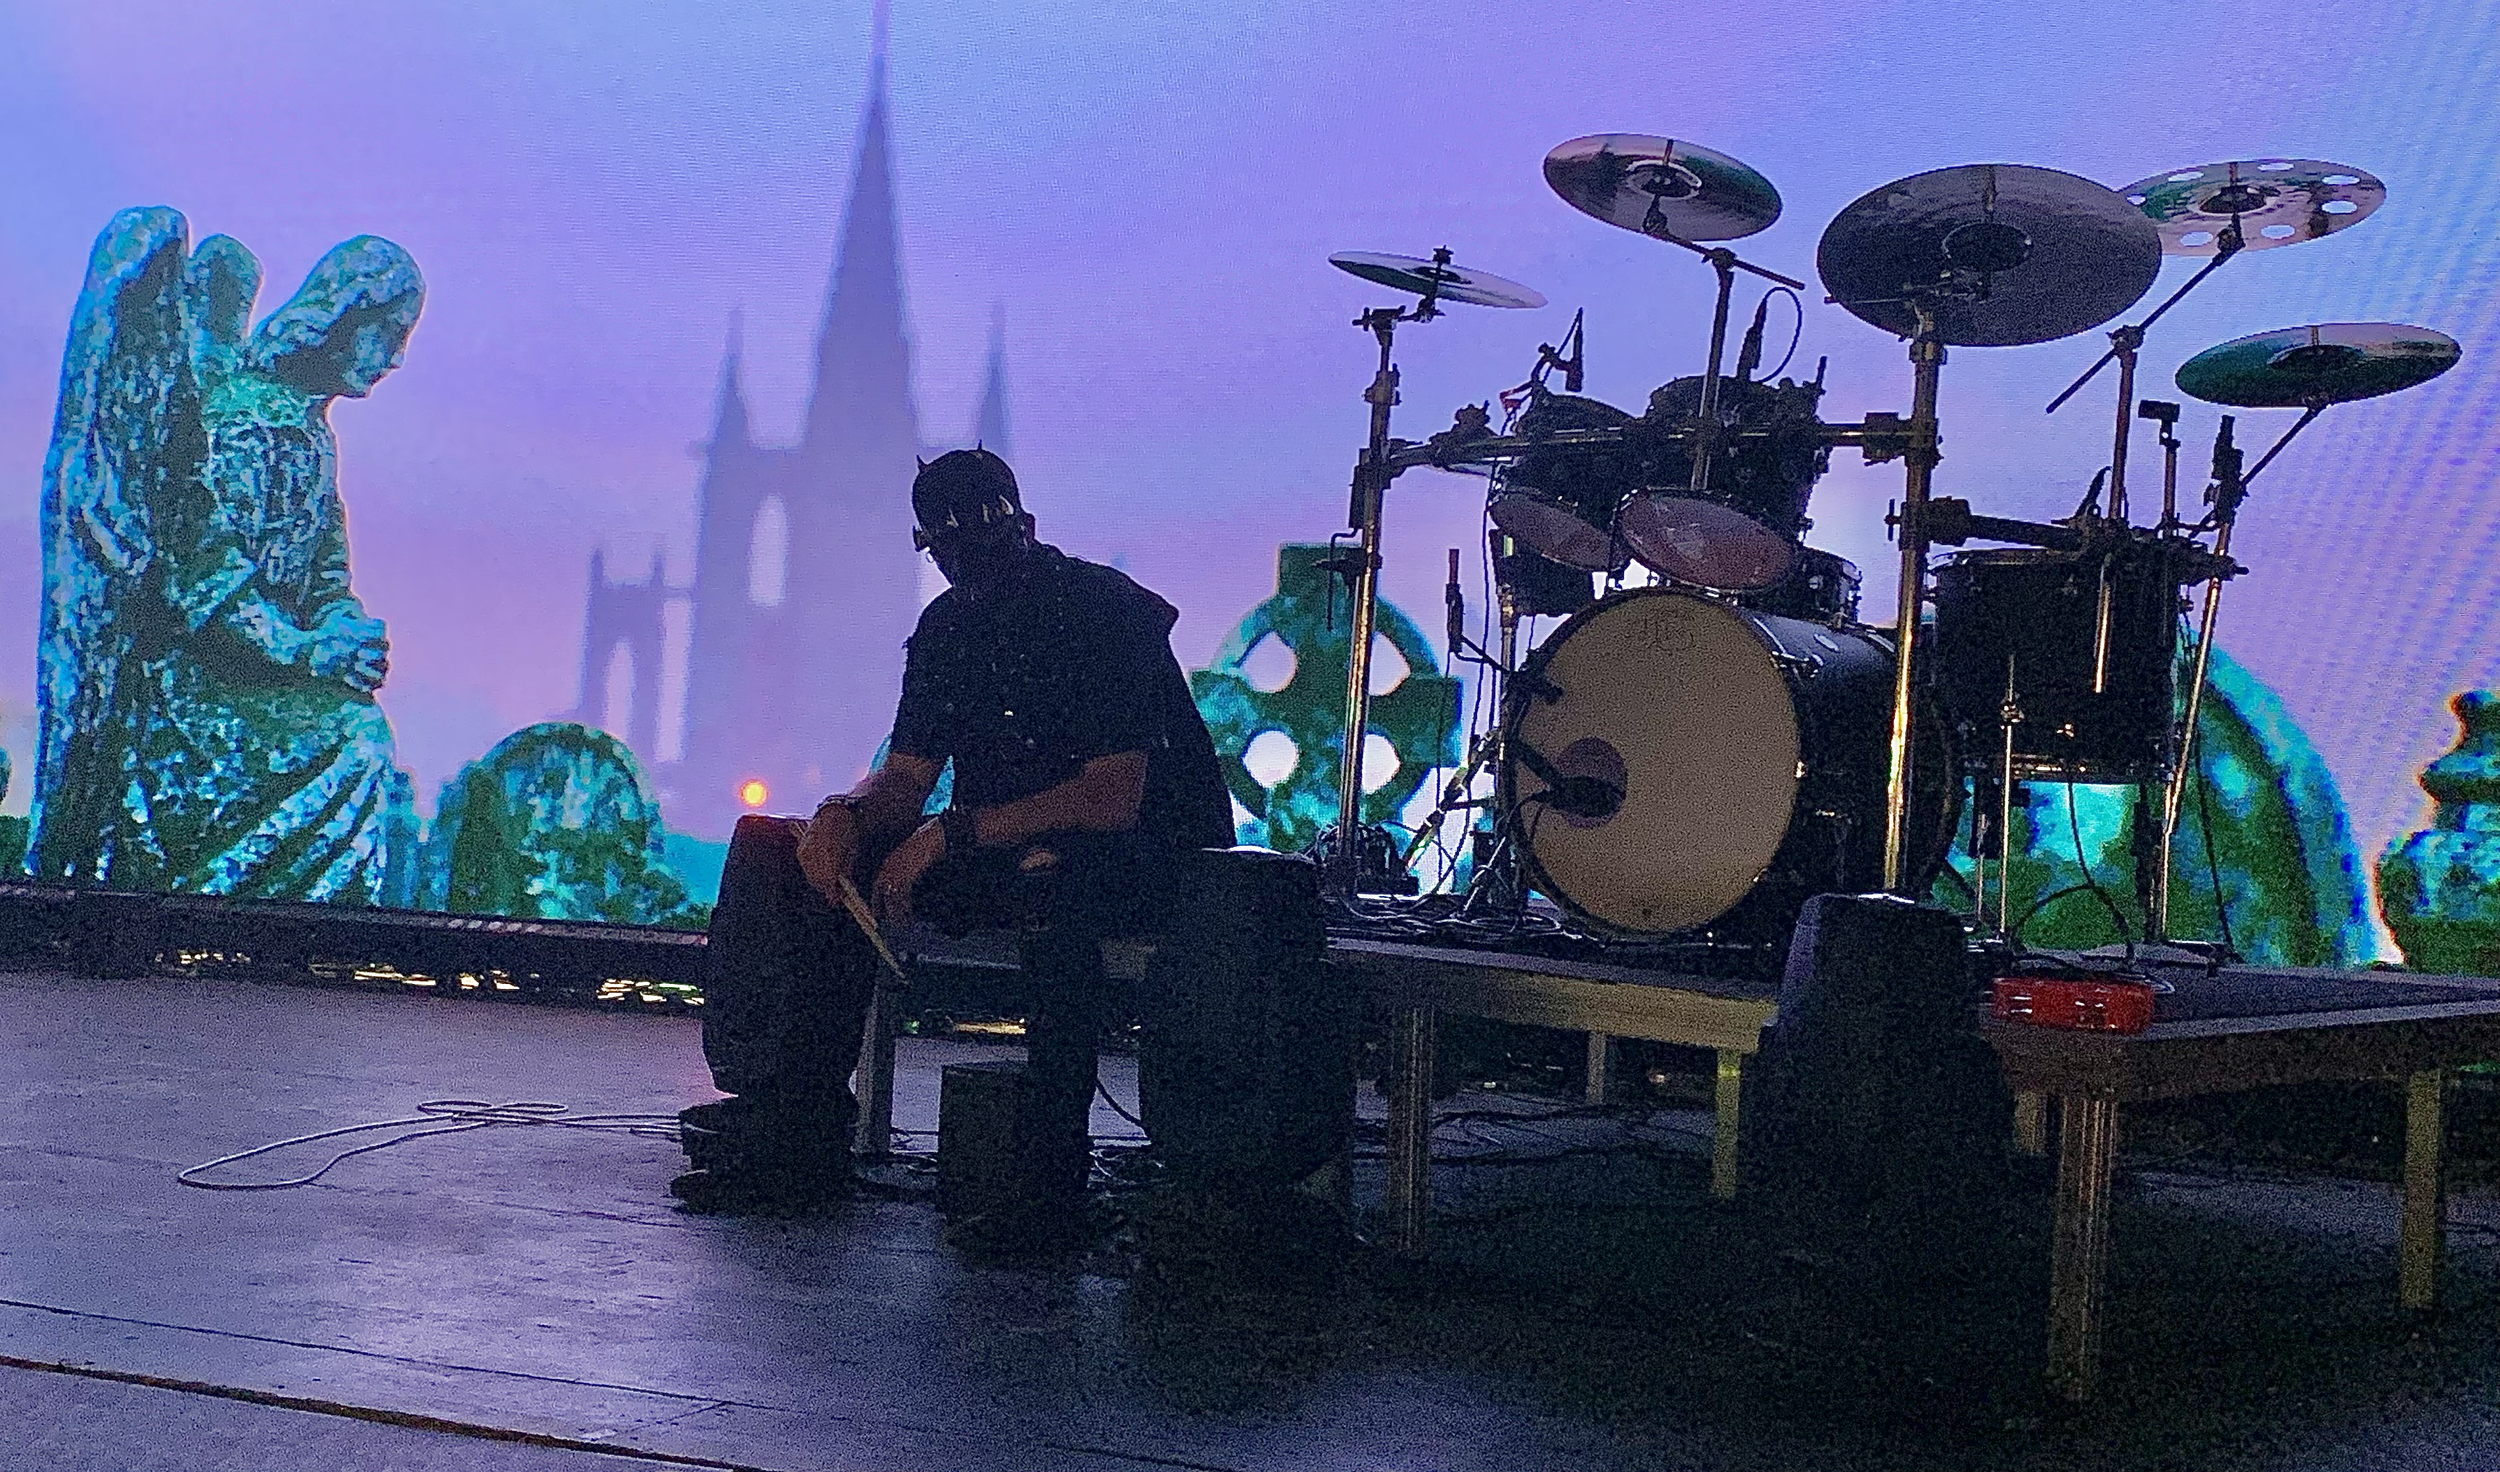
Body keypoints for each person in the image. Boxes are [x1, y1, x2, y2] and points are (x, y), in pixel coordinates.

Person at [673, 448, 1234, 1223]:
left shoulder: (1106, 610)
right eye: (942, 545)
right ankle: (789, 1127)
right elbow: (905, 777)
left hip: (1147, 858)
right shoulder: (948, 627)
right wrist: (844, 813)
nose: (958, 558)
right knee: (782, 852)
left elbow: (1112, 797)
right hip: (997, 844)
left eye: (973, 538)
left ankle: (1049, 1174)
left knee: (1055, 883)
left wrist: (950, 835)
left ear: (1025, 526)